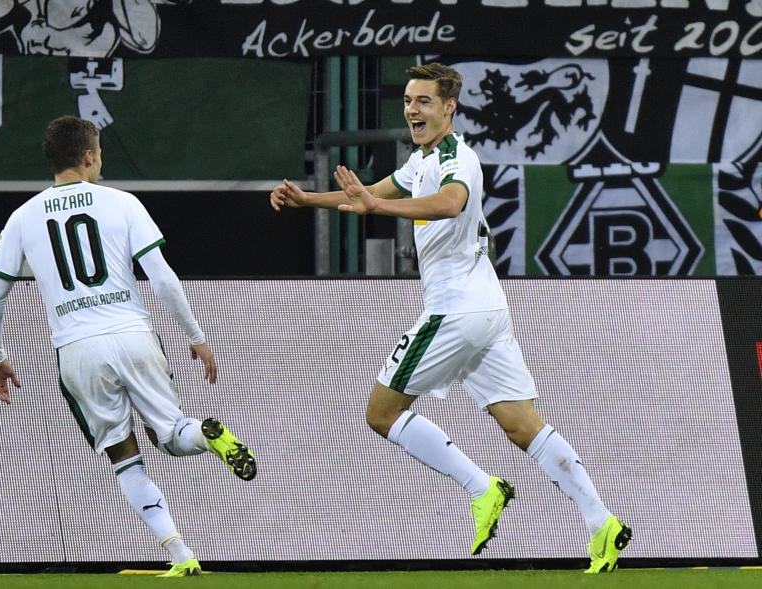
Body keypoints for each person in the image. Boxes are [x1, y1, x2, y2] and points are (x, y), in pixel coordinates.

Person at [269, 63, 631, 573]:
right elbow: (367, 196)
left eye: (424, 102)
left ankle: (483, 489)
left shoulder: (458, 158)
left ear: (448, 108)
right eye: (409, 101)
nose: (413, 110)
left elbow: (449, 203)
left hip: (456, 310)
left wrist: (374, 205)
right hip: (489, 311)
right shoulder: (420, 160)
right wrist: (311, 199)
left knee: (381, 413)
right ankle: (603, 523)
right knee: (523, 425)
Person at [0, 115, 256, 577]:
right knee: (170, 435)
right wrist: (195, 335)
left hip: (77, 348)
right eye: (100, 153)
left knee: (124, 456)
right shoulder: (123, 203)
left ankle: (179, 553)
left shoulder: (23, 217)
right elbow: (163, 278)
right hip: (133, 333)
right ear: (88, 156)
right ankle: (205, 435)